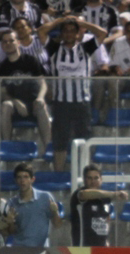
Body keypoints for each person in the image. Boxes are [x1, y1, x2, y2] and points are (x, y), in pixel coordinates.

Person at [45, 16, 107, 173]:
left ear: (78, 33)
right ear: (62, 33)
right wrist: (60, 20)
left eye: (73, 31)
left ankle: (84, 173)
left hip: (82, 102)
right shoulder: (54, 48)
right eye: (66, 31)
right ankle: (58, 173)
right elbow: (40, 31)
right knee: (60, 140)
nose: (69, 34)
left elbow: (103, 33)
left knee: (83, 138)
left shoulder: (85, 48)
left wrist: (82, 23)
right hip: (61, 102)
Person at [0, 29, 51, 154]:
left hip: (34, 103)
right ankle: (7, 147)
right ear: (2, 45)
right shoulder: (1, 68)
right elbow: (3, 93)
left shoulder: (31, 61)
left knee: (42, 106)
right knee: (5, 105)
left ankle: (48, 147)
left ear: (18, 42)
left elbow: (43, 83)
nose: (8, 43)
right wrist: (15, 102)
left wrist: (41, 98)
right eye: (5, 42)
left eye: (11, 40)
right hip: (15, 106)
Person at [0, 163, 63, 247]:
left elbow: (58, 225)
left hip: (42, 249)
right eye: (19, 177)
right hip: (20, 250)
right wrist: (10, 223)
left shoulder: (45, 197)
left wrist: (55, 212)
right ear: (15, 180)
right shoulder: (12, 203)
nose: (22, 180)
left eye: (25, 177)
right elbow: (12, 232)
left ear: (32, 179)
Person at [70, 163, 128, 246]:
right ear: (84, 180)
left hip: (101, 248)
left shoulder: (105, 198)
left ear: (101, 179)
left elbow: (105, 220)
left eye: (96, 178)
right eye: (89, 178)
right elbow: (84, 194)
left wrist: (106, 241)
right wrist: (113, 194)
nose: (93, 181)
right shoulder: (78, 194)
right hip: (82, 248)